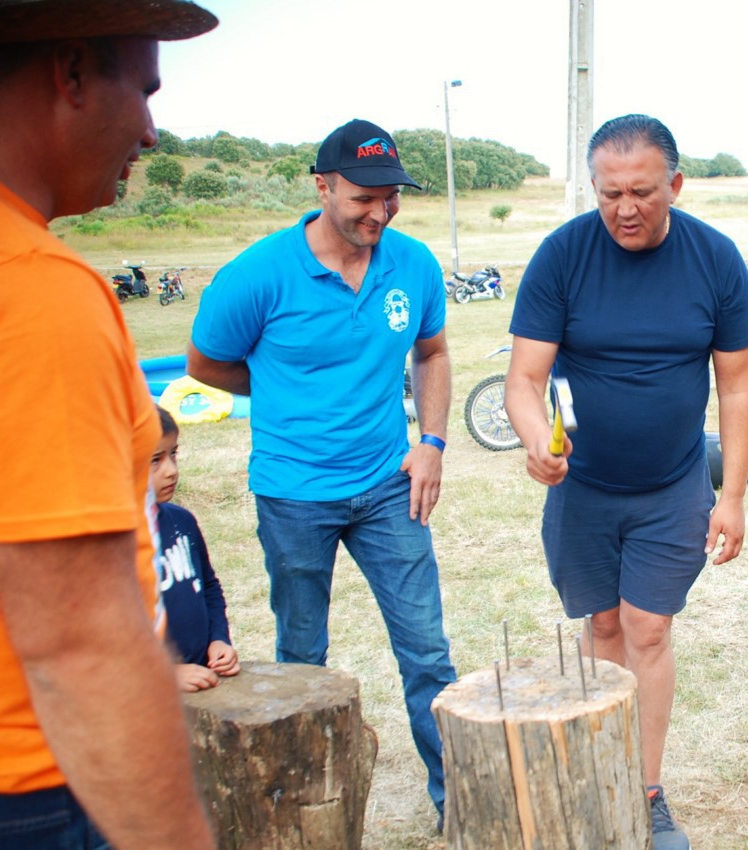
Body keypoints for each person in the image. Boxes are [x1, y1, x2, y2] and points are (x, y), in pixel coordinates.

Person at [0, 2, 218, 847]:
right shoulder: (30, 290)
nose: (151, 132)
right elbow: (76, 648)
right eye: (144, 90)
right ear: (71, 71)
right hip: (30, 785)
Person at [187, 118, 458, 824]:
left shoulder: (414, 264)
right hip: (293, 494)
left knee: (427, 651)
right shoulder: (258, 273)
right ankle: (299, 815)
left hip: (387, 486)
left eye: (391, 196)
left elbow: (431, 352)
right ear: (323, 185)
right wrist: (277, 389)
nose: (379, 211)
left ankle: (457, 802)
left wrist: (431, 440)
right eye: (364, 197)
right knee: (302, 661)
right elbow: (204, 363)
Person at [504, 113, 748, 850]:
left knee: (647, 628)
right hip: (582, 487)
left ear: (675, 185)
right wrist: (532, 442)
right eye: (608, 193)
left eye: (642, 192)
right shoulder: (563, 256)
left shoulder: (714, 259)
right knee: (604, 626)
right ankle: (598, 769)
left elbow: (735, 387)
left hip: (674, 483)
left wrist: (732, 494)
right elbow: (525, 378)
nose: (625, 208)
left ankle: (644, 790)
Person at [151, 406, 241, 693]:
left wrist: (219, 639)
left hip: (202, 676)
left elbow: (209, 587)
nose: (171, 470)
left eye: (173, 454)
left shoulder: (182, 520)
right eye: (155, 460)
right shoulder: (110, 545)